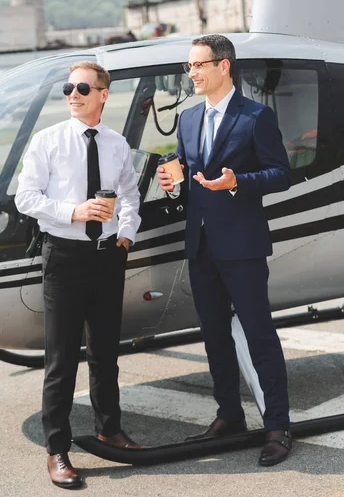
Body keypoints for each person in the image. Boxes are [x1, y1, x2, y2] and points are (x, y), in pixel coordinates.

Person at [157, 34, 292, 467]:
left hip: (244, 246)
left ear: (224, 66)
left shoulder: (256, 117)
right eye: (189, 66)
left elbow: (280, 174)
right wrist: (172, 180)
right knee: (214, 336)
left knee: (259, 337)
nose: (192, 73)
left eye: (198, 65)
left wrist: (239, 182)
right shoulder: (189, 119)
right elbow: (185, 165)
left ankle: (277, 426)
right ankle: (229, 415)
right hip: (201, 246)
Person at [15, 61, 142, 489]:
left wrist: (126, 232)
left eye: (82, 87)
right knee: (62, 357)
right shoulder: (47, 141)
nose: (73, 93)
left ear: (103, 94)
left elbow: (129, 193)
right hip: (64, 258)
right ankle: (57, 450)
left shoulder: (117, 143)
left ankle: (111, 429)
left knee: (106, 352)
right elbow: (26, 198)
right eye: (68, 87)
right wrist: (74, 211)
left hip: (108, 257)